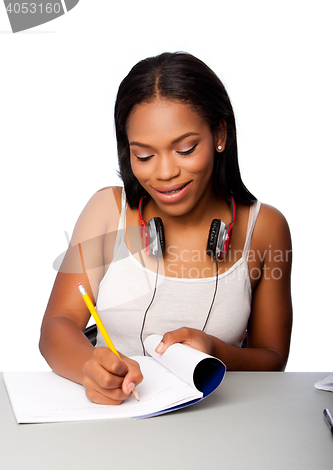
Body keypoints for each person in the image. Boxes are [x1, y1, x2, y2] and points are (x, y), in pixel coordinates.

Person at [40, 52, 292, 405]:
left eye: (185, 149)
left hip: (221, 425)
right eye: (143, 155)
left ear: (220, 134)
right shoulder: (106, 210)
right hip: (118, 418)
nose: (163, 173)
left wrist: (216, 350)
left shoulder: (266, 228)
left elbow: (273, 359)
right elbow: (56, 326)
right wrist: (89, 366)